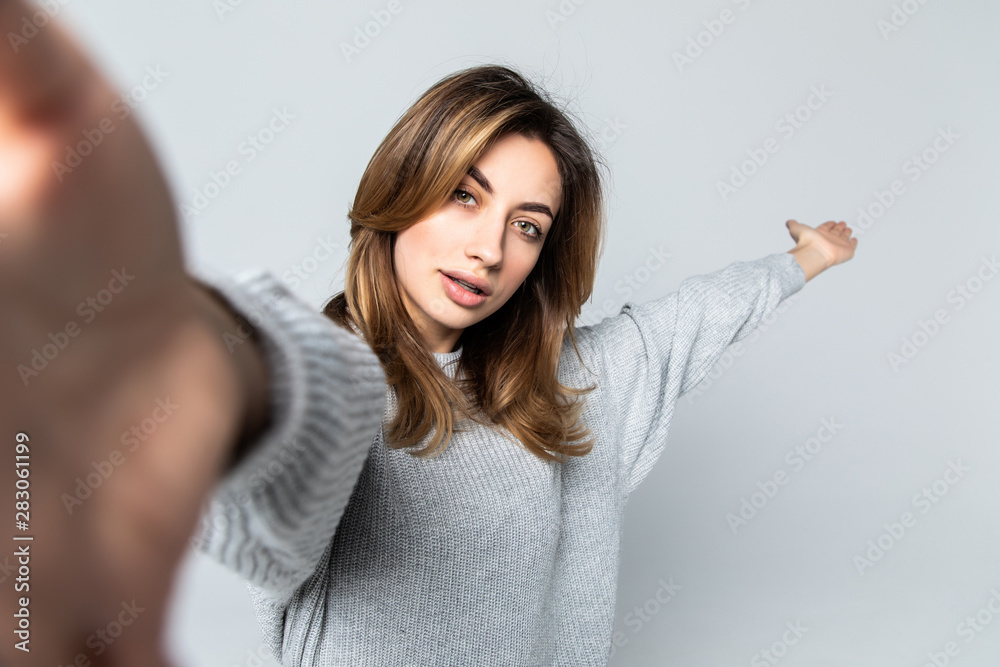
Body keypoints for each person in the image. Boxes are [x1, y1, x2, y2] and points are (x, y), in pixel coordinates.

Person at [0, 2, 856, 665]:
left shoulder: (572, 390)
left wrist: (803, 261)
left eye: (528, 225)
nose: (489, 247)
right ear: (405, 188)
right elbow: (274, 386)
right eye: (466, 195)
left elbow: (688, 320)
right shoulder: (339, 380)